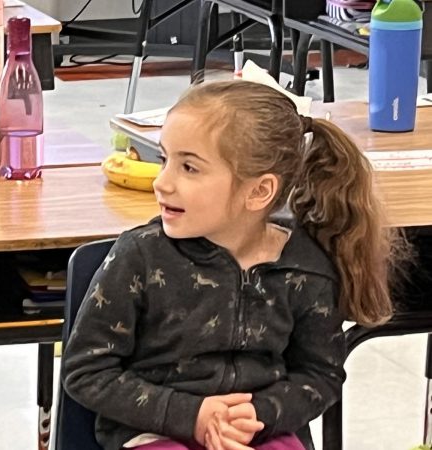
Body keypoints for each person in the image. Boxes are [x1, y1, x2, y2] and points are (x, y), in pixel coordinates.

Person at [63, 80, 409, 450]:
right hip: (154, 433)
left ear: (259, 191)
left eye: (189, 168)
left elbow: (320, 375)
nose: (162, 183)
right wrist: (190, 416)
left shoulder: (306, 271)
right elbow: (87, 370)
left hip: (260, 432)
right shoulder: (139, 256)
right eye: (165, 160)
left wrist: (261, 414)